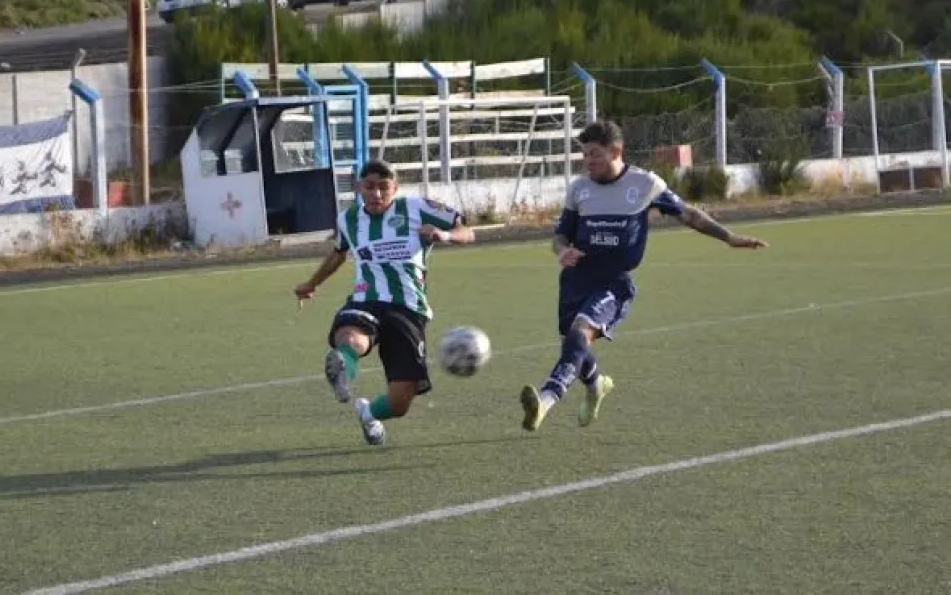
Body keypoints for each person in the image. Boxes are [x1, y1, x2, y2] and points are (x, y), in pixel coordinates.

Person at [519, 121, 768, 432]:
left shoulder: (644, 183)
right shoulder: (579, 189)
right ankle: (597, 385)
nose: (588, 162)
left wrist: (728, 236)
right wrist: (562, 252)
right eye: (585, 156)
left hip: (614, 283)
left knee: (579, 334)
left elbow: (688, 214)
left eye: (595, 155)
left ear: (616, 151)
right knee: (575, 348)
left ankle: (544, 401)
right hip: (575, 280)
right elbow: (560, 236)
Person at [295, 159, 475, 445]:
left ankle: (367, 413)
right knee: (350, 336)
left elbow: (467, 231)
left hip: (408, 308)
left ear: (396, 188)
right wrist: (311, 283)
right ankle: (342, 366)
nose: (376, 194)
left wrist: (444, 235)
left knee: (401, 401)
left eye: (383, 187)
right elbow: (339, 253)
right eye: (369, 187)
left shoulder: (417, 208)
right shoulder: (348, 219)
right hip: (366, 298)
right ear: (358, 187)